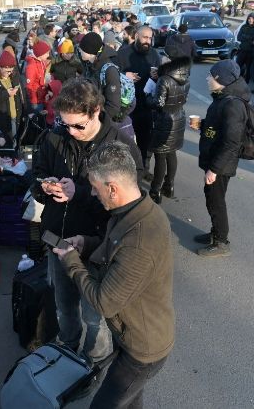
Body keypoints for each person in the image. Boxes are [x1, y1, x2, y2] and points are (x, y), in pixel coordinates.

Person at [52, 141, 174, 409]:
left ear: (112, 189)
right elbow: (114, 250)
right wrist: (88, 242)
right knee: (130, 401)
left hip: (142, 350)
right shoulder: (131, 210)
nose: (93, 195)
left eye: (95, 189)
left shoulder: (140, 240)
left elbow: (103, 302)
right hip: (132, 334)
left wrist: (71, 261)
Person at [31, 79, 143, 367]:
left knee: (95, 316)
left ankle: (93, 363)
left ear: (96, 111)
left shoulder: (121, 147)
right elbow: (36, 176)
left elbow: (128, 206)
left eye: (78, 125)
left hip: (98, 245)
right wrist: (44, 185)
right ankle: (67, 351)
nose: (71, 132)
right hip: (58, 238)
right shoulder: (55, 137)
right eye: (66, 124)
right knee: (64, 307)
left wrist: (77, 193)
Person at [194, 60, 249, 257]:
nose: (208, 78)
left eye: (212, 75)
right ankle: (215, 232)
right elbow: (219, 128)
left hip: (221, 163)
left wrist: (214, 169)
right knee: (212, 197)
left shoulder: (233, 104)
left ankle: (221, 241)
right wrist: (203, 125)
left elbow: (231, 142)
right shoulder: (223, 97)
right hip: (215, 159)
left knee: (216, 200)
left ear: (222, 79)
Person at [146, 57, 191, 204]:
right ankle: (169, 185)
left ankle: (155, 190)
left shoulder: (164, 80)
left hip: (164, 121)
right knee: (172, 153)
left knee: (160, 156)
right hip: (178, 118)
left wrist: (147, 96)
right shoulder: (185, 78)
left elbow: (158, 104)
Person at [120, 26, 162, 177]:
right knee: (126, 140)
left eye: (150, 38)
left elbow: (160, 79)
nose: (147, 41)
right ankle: (127, 169)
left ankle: (144, 168)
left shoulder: (154, 55)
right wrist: (125, 75)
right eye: (145, 37)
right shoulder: (123, 53)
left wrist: (157, 75)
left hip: (146, 105)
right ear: (137, 36)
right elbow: (112, 73)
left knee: (145, 139)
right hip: (127, 105)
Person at [0, 51, 24, 147]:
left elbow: (22, 94)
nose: (9, 73)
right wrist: (6, 93)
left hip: (15, 115)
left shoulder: (13, 75)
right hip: (2, 117)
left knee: (15, 140)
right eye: (7, 71)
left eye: (11, 70)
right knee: (7, 143)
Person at [24, 41, 51, 112]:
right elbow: (29, 86)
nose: (48, 55)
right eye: (47, 53)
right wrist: (34, 101)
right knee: (37, 118)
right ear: (40, 54)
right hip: (36, 101)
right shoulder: (31, 67)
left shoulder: (42, 62)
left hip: (42, 96)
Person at [236, 14, 254, 85]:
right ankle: (236, 81)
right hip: (242, 50)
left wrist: (245, 37)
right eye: (249, 18)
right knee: (237, 66)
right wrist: (250, 39)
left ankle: (246, 82)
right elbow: (239, 37)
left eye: (252, 19)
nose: (250, 20)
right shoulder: (244, 26)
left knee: (248, 68)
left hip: (251, 52)